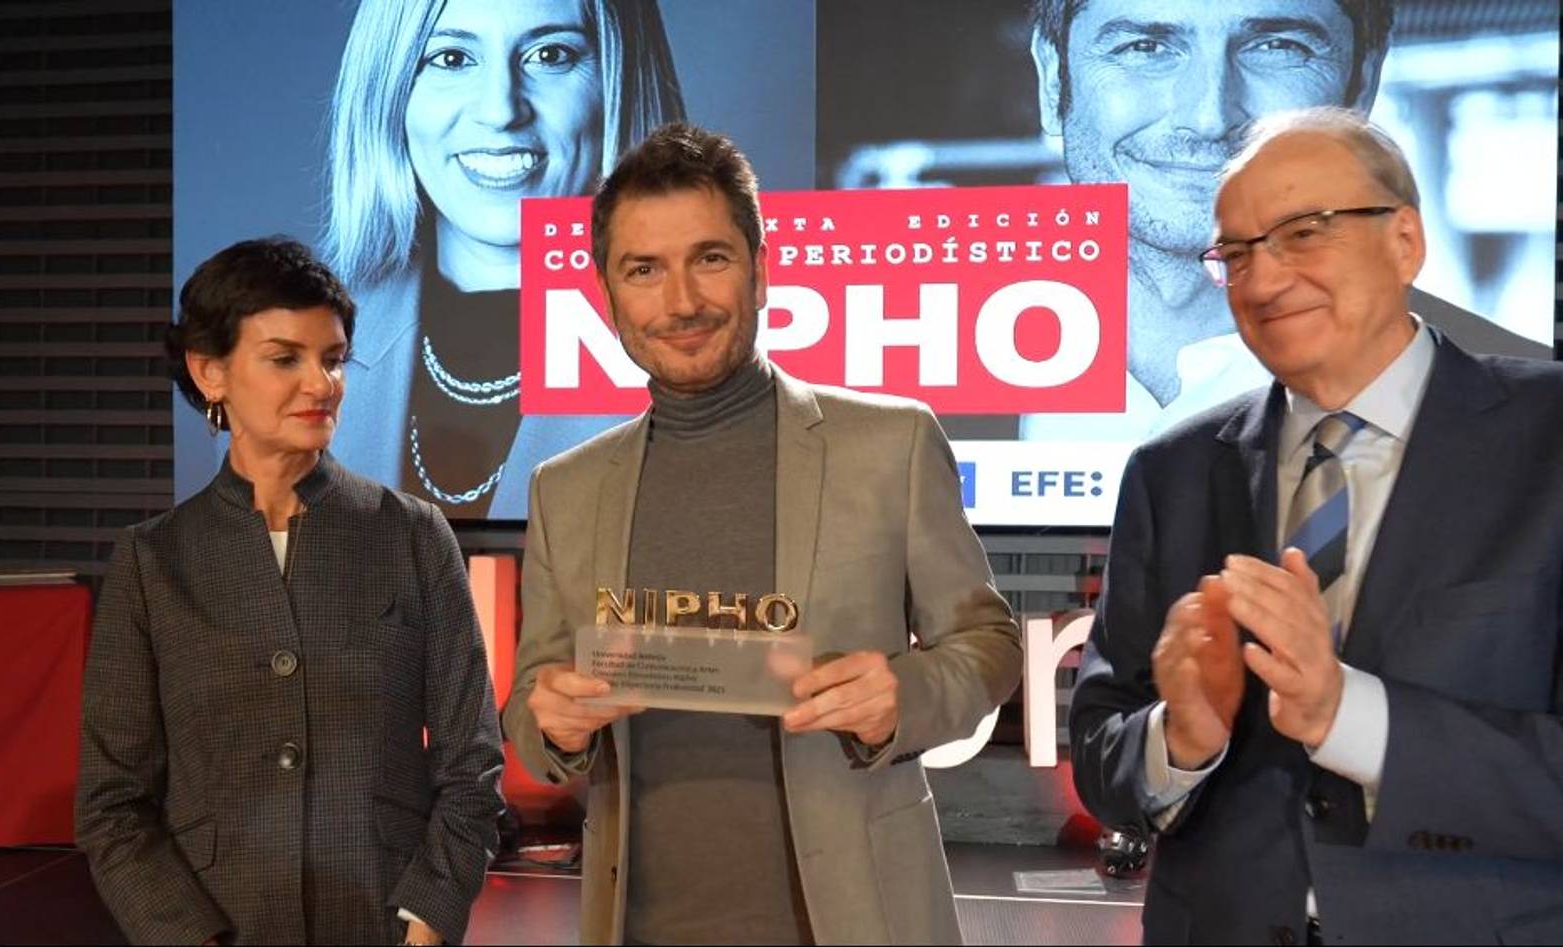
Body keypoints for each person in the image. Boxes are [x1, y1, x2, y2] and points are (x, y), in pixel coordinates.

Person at [503, 123, 1024, 946]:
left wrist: (904, 694)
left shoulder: (890, 443)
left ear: (761, 268)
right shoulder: (564, 487)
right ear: (606, 293)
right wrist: (554, 726)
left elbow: (988, 644)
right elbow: (534, 704)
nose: (681, 301)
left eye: (710, 258)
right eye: (644, 269)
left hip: (857, 922)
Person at [1069, 107, 1563, 944]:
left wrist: (1348, 713)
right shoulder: (1172, 470)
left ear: (1404, 241)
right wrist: (1178, 737)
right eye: (1235, 253)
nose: (1262, 281)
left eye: (1304, 232)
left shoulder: (1547, 436)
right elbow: (1102, 752)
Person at [75, 238, 504, 946]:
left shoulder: (413, 534)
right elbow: (112, 803)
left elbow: (472, 764)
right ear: (210, 371)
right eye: (285, 359)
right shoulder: (154, 560)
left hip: (384, 923)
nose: (321, 383)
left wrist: (427, 922)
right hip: (222, 924)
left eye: (333, 359)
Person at [1022, 0, 1549, 442]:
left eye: (1277, 47)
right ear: (1052, 78)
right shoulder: (962, 365)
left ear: (1362, 83)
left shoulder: (1538, 416)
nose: (1208, 118)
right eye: (1144, 47)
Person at [321, 0, 685, 518]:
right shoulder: (292, 358)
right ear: (388, 90)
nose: (499, 110)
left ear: (619, 84)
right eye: (451, 58)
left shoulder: (728, 349)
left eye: (551, 55)